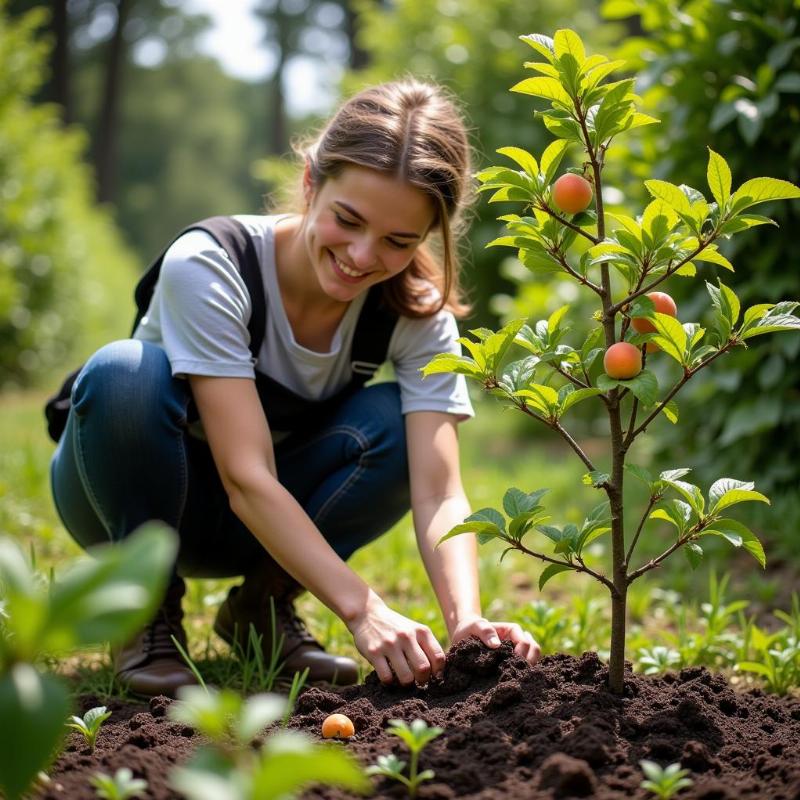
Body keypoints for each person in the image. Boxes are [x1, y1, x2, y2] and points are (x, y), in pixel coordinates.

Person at [49, 78, 541, 698]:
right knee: (126, 372)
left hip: (262, 528)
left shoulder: (415, 312)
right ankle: (144, 607)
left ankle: (262, 605)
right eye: (348, 220)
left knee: (394, 423)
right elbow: (245, 475)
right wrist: (362, 610)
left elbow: (440, 489)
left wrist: (465, 619)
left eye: (398, 241)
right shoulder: (211, 263)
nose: (363, 256)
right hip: (124, 498)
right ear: (311, 182)